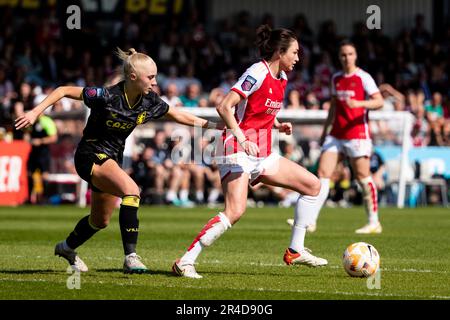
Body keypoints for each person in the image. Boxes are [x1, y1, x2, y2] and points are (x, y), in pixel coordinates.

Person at [15, 48, 218, 274]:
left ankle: (67, 247)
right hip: (90, 155)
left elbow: (180, 115)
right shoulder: (106, 96)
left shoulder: (149, 101)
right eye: (150, 77)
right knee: (132, 191)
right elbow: (63, 90)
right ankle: (131, 257)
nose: (154, 82)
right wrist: (35, 113)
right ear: (133, 77)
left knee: (99, 221)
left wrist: (216, 126)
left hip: (112, 160)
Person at [172, 25, 328, 279]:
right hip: (235, 149)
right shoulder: (257, 71)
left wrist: (278, 124)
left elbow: (260, 110)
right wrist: (242, 139)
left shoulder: (283, 78)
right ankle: (185, 261)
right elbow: (224, 107)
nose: (298, 58)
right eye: (295, 53)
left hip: (263, 152)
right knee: (235, 211)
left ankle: (296, 249)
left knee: (313, 186)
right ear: (279, 52)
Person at [306, 40, 384, 234]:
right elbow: (333, 107)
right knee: (323, 174)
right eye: (343, 54)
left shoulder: (363, 78)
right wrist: (325, 132)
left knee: (362, 176)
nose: (346, 57)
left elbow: (379, 101)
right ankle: (311, 220)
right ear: (339, 57)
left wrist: (358, 104)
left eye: (350, 54)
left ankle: (374, 222)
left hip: (357, 133)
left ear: (355, 56)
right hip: (336, 134)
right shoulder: (336, 78)